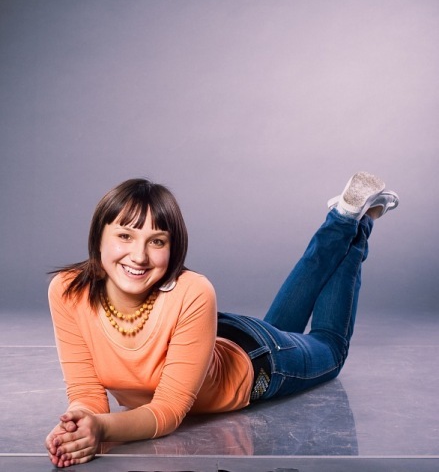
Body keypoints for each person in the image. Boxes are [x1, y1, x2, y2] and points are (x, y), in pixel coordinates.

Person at [45, 171, 399, 468]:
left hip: (258, 359)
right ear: (99, 237)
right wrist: (79, 425)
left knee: (330, 346)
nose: (138, 256)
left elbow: (168, 410)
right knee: (286, 327)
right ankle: (344, 217)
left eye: (157, 241)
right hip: (208, 338)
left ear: (173, 247)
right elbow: (86, 393)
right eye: (125, 236)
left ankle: (355, 222)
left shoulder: (194, 290)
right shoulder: (68, 289)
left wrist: (103, 430)